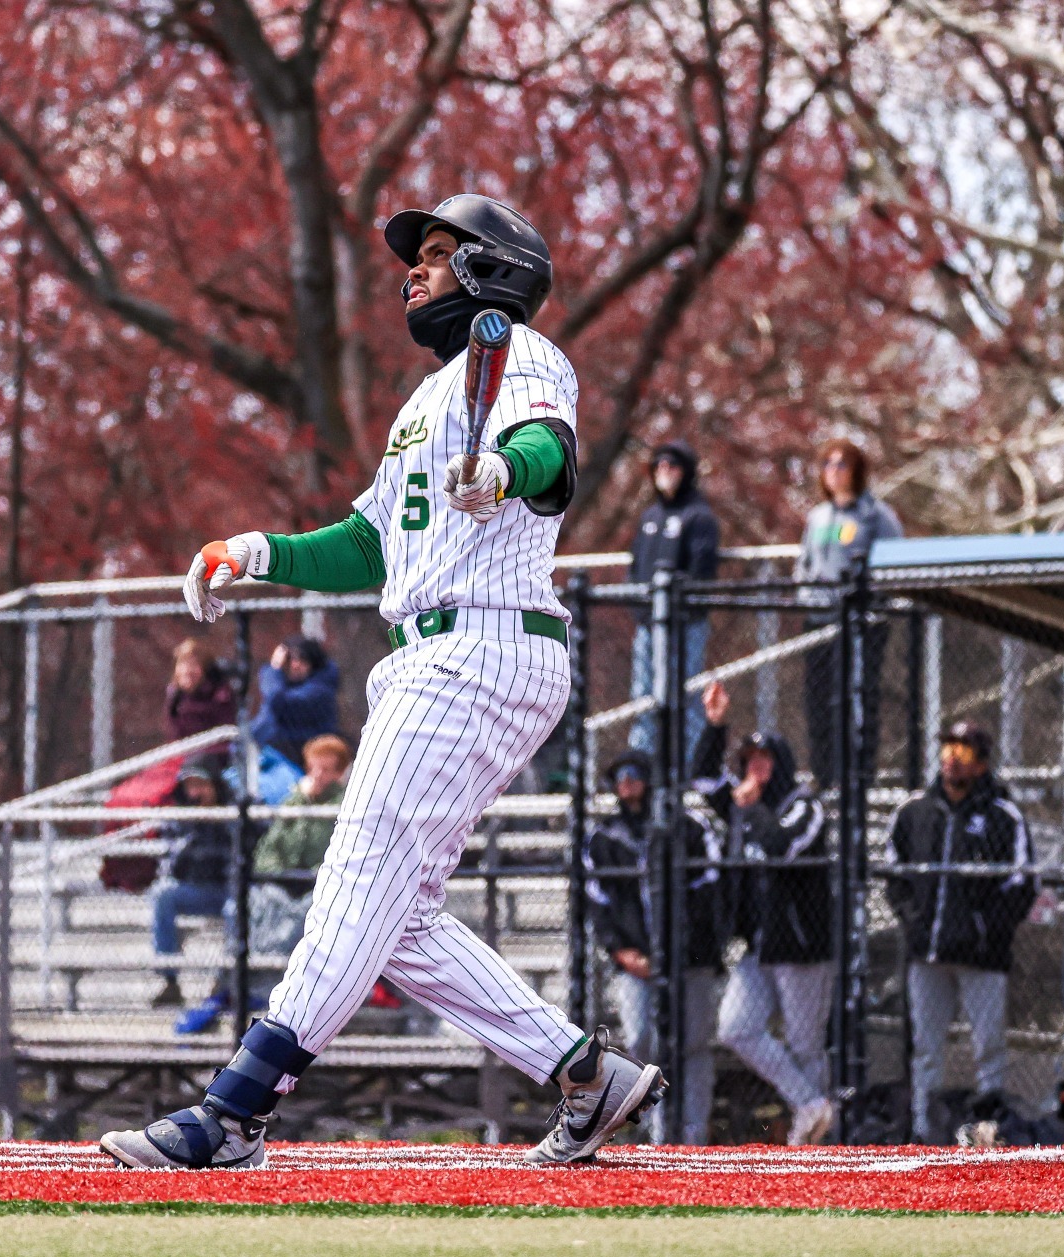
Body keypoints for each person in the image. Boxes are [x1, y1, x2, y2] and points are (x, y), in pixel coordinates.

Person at [103, 193, 665, 1171]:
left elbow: (549, 453)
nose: (414, 268)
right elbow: (369, 540)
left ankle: (234, 1110)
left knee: (359, 876)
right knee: (396, 919)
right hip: (439, 650)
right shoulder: (427, 399)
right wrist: (256, 549)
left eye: (440, 253)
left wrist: (499, 468)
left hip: (478, 644)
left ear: (492, 269)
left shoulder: (521, 354)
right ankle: (584, 1071)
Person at [694, 681, 837, 1145]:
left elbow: (782, 847)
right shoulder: (743, 806)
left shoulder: (803, 805)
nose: (755, 770)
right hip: (758, 945)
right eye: (749, 761)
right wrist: (716, 726)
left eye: (765, 761)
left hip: (800, 944)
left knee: (805, 1045)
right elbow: (702, 780)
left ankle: (824, 1143)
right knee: (736, 1028)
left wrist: (752, 810)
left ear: (782, 765)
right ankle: (810, 1104)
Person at [885, 721, 1033, 1143]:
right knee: (925, 1047)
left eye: (965, 751)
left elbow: (1022, 884)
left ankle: (988, 1128)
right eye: (949, 747)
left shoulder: (1002, 815)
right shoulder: (915, 811)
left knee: (987, 1045)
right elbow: (893, 874)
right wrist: (915, 921)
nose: (953, 757)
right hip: (927, 953)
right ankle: (923, 1129)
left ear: (982, 763)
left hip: (981, 957)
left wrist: (984, 929)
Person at [584, 749, 726, 1144]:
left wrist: (685, 950)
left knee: (693, 1042)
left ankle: (694, 1133)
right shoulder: (605, 837)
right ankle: (655, 1132)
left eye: (634, 774)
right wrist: (622, 952)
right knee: (643, 1037)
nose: (626, 783)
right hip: (637, 961)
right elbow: (598, 904)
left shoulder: (689, 827)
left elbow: (710, 894)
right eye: (618, 776)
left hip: (691, 959)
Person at [796, 441, 903, 785]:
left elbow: (892, 568)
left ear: (857, 471)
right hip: (818, 622)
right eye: (827, 463)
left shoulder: (876, 516)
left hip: (859, 625)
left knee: (856, 700)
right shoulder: (818, 517)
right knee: (818, 703)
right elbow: (804, 565)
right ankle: (824, 777)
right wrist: (808, 592)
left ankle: (857, 778)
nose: (833, 471)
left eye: (842, 464)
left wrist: (864, 596)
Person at [627, 441, 719, 754]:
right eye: (659, 466)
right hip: (648, 625)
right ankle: (641, 765)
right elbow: (634, 566)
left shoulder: (699, 517)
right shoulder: (649, 516)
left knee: (686, 695)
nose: (664, 473)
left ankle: (691, 767)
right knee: (643, 696)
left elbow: (700, 573)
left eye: (672, 466)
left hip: (686, 626)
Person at [145, 761, 238, 1023]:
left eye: (202, 785)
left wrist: (216, 820)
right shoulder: (181, 818)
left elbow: (241, 854)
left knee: (236, 908)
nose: (196, 792)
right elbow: (172, 864)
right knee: (164, 894)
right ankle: (170, 981)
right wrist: (194, 829)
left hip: (228, 891)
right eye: (191, 786)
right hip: (197, 890)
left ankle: (225, 983)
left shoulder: (232, 812)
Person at [247, 734, 353, 963]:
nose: (318, 776)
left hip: (320, 885)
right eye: (313, 768)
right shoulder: (294, 801)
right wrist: (276, 872)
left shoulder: (345, 805)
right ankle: (256, 970)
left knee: (301, 912)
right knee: (259, 901)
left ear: (340, 773)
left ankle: (267, 967)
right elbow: (269, 848)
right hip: (285, 882)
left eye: (326, 769)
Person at [251, 637, 342, 767]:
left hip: (302, 764)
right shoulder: (285, 686)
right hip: (276, 758)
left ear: (314, 663)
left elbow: (278, 703)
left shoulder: (320, 691)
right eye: (291, 659)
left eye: (303, 660)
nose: (295, 665)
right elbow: (262, 724)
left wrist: (274, 668)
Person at [166, 638, 239, 745]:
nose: (187, 671)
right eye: (182, 664)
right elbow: (173, 738)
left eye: (193, 664)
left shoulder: (219, 696)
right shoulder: (175, 698)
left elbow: (226, 741)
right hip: (183, 755)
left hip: (212, 755)